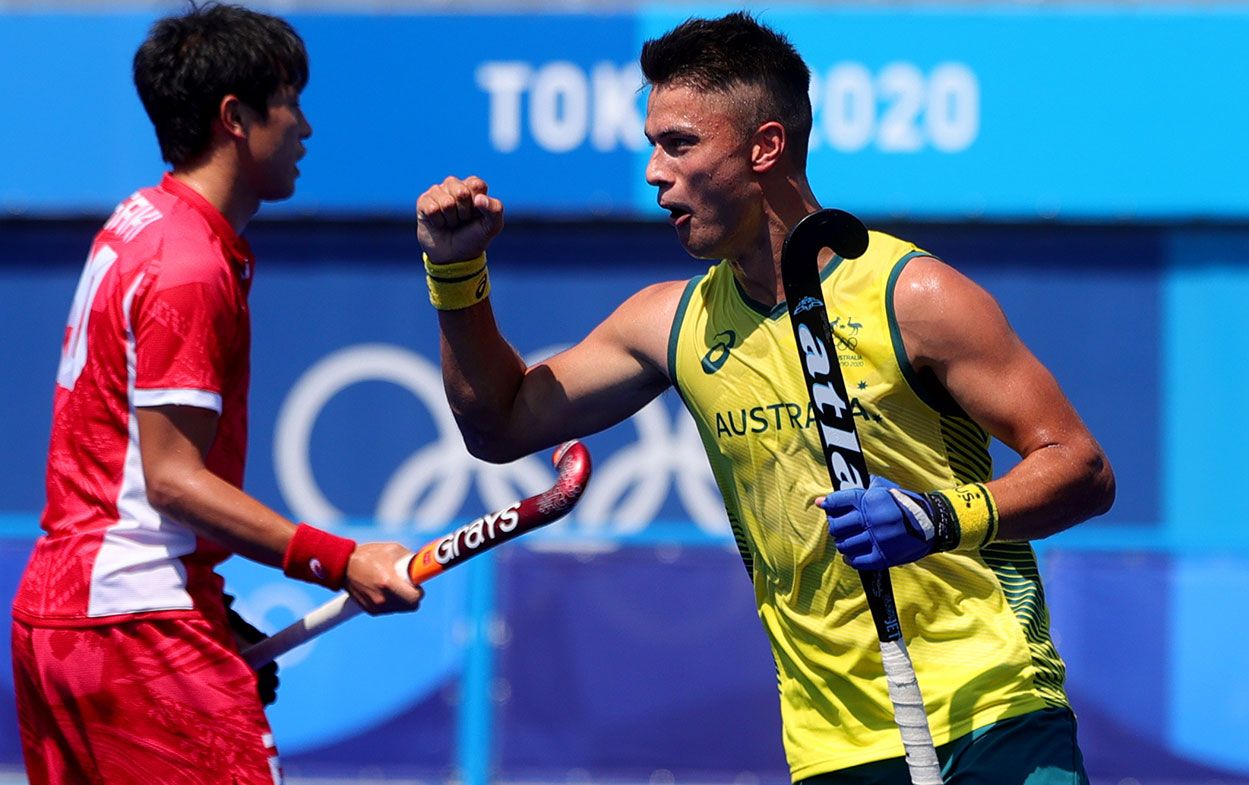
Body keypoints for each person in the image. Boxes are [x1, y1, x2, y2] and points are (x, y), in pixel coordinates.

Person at [415, 12, 1113, 783]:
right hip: (833, 746)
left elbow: (1080, 466)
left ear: (765, 146)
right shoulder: (671, 323)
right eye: (653, 144)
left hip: (996, 709)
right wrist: (455, 276)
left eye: (677, 143)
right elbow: (501, 422)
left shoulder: (911, 295)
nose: (653, 171)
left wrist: (936, 516)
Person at [10, 5, 423, 784]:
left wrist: (212, 608)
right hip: (134, 627)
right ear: (236, 117)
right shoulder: (188, 264)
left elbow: (125, 479)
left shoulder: (139, 224)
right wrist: (341, 560)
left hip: (63, 612)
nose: (305, 126)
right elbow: (171, 480)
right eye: (290, 101)